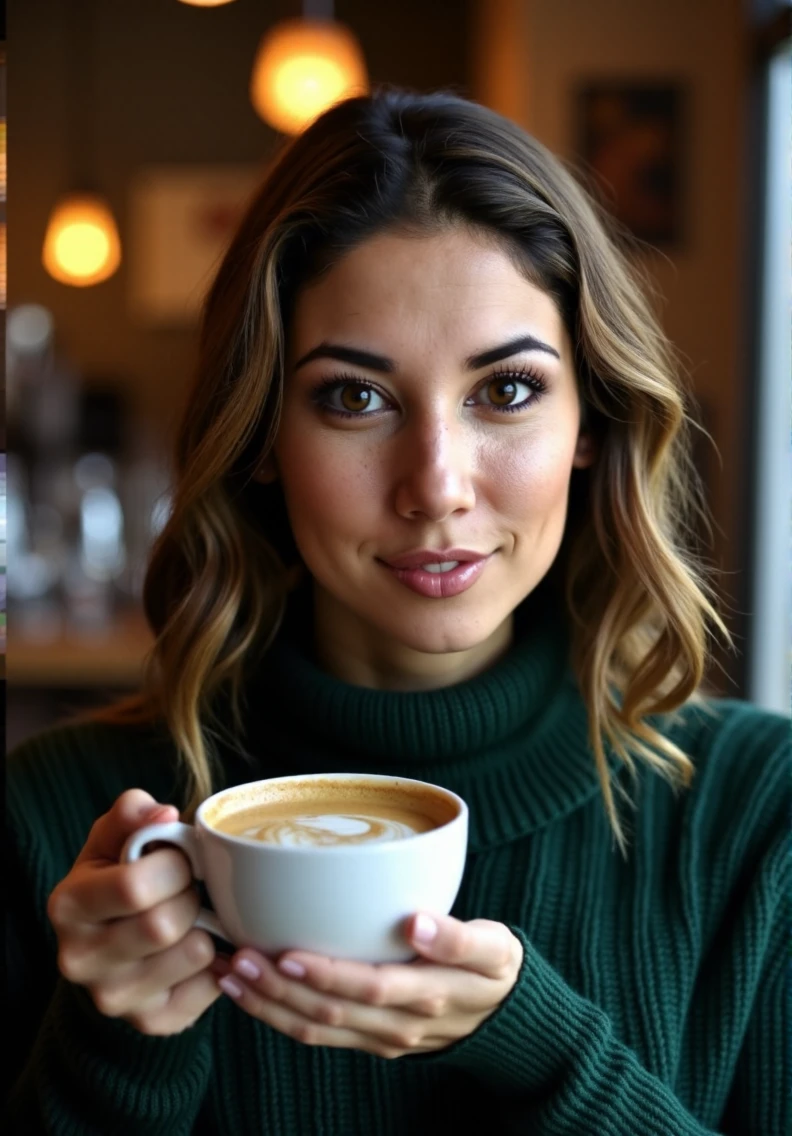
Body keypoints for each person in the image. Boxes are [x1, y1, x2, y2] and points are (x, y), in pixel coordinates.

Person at [6, 88, 789, 1136]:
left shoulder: (757, 818)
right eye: (355, 397)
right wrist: (113, 1049)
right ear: (261, 439)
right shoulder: (57, 831)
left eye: (505, 389)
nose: (437, 485)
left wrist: (547, 1050)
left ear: (592, 422)